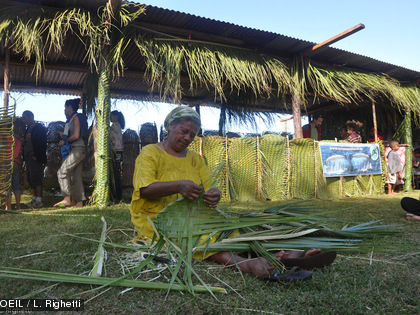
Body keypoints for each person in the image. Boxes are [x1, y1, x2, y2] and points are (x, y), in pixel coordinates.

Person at [130, 106, 336, 280]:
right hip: (158, 219)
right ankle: (247, 264)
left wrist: (214, 195)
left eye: (192, 135)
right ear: (170, 126)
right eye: (183, 131)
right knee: (199, 239)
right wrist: (179, 186)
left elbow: (211, 186)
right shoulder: (150, 153)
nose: (187, 138)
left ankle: (280, 254)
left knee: (232, 231)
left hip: (192, 215)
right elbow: (145, 190)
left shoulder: (194, 158)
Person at [54, 98, 88, 208]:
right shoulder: (72, 119)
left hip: (78, 148)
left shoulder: (76, 117)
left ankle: (67, 198)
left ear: (69, 107)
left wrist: (65, 140)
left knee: (62, 171)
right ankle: (78, 202)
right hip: (78, 149)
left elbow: (76, 136)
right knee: (75, 177)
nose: (65, 110)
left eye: (65, 108)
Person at [22, 110, 47, 208]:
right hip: (28, 158)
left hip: (35, 158)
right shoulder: (28, 129)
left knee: (37, 178)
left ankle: (39, 200)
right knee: (31, 178)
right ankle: (34, 199)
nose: (24, 120)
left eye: (25, 118)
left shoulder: (39, 128)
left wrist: (37, 155)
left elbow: (42, 143)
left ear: (31, 117)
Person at [110, 110, 125, 203]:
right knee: (117, 174)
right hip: (120, 152)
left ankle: (117, 196)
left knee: (115, 174)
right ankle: (118, 195)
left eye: (111, 116)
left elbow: (111, 137)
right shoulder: (118, 125)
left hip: (116, 152)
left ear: (116, 117)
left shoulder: (114, 126)